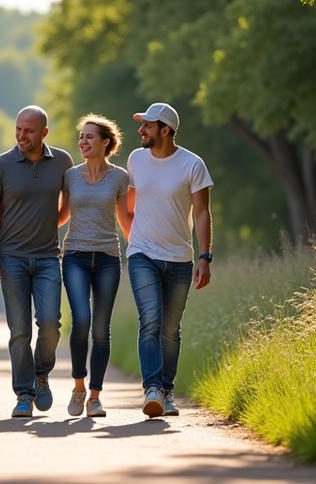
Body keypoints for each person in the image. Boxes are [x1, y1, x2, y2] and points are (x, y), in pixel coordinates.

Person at [0, 105, 73, 418]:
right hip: (11, 259)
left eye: (29, 131)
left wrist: (48, 224)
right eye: (18, 129)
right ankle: (23, 393)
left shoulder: (62, 162)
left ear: (44, 132)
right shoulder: (1, 165)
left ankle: (41, 373)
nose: (21, 136)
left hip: (48, 257)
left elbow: (67, 205)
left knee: (50, 323)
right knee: (19, 331)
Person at [122, 102, 213, 418]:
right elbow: (128, 205)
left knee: (170, 329)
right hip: (142, 254)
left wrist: (205, 256)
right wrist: (132, 238)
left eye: (147, 125)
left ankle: (167, 390)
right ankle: (152, 389)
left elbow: (202, 213)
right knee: (150, 319)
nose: (141, 130)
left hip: (178, 258)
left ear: (165, 129)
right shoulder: (136, 159)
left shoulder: (192, 164)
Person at [58, 114, 130, 418]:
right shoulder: (70, 176)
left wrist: (145, 244)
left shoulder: (120, 177)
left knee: (101, 329)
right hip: (74, 255)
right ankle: (78, 387)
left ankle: (95, 397)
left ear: (105, 142)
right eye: (81, 137)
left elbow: (125, 221)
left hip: (107, 258)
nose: (83, 142)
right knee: (82, 320)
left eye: (89, 136)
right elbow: (62, 215)